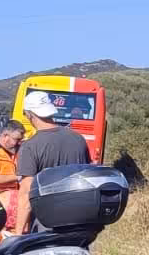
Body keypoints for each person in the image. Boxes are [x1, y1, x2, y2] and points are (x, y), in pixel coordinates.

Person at [14, 90, 91, 234]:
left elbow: (26, 194)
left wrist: (17, 234)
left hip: (47, 223)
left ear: (29, 114)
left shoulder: (30, 146)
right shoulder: (78, 139)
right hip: (79, 220)